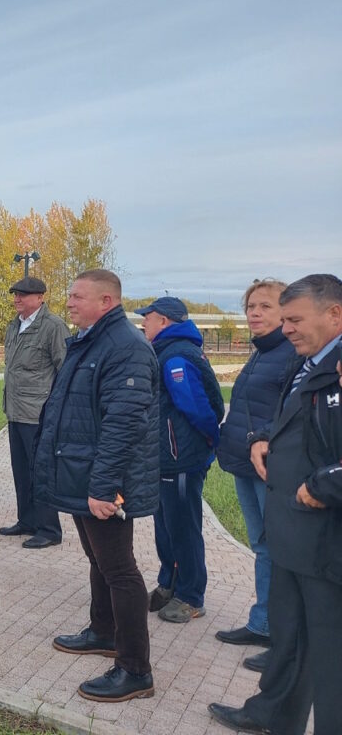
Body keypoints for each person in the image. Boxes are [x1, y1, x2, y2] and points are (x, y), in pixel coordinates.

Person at [209, 274, 342, 735]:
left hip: (324, 535)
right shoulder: (306, 362)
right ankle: (272, 714)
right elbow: (292, 419)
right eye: (282, 319)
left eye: (294, 319)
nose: (285, 329)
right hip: (293, 529)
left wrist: (324, 485)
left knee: (328, 654)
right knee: (292, 636)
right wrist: (265, 439)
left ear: (334, 314)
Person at [34, 269, 159, 703]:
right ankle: (103, 631)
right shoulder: (91, 340)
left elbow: (123, 425)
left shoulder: (125, 347)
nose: (68, 302)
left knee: (120, 569)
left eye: (76, 296)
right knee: (98, 559)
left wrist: (104, 488)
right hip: (82, 473)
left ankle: (134, 668)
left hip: (103, 482)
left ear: (106, 302)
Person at [213, 280, 294, 666]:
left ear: (286, 312)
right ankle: (262, 623)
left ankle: (280, 631)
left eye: (265, 306)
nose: (255, 313)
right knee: (262, 546)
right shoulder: (261, 352)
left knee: (278, 549)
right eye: (250, 307)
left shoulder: (290, 353)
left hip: (272, 469)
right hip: (246, 464)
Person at [136, 297, 224, 623]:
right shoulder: (167, 352)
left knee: (184, 528)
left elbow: (198, 407)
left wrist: (209, 441)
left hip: (181, 457)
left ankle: (191, 595)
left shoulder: (176, 357)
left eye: (148, 318)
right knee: (165, 525)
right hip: (166, 456)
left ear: (164, 321)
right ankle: (168, 584)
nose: (144, 323)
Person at [0, 276, 70, 549]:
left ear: (40, 297)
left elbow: (65, 370)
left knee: (41, 471)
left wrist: (56, 410)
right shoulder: (14, 326)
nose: (17, 298)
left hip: (39, 413)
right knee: (21, 470)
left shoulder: (53, 327)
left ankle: (49, 529)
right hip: (16, 411)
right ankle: (27, 520)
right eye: (15, 294)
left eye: (24, 294)